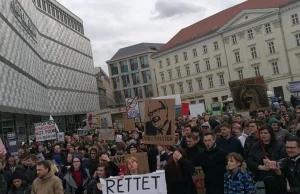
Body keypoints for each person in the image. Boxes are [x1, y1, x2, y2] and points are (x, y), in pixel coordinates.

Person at [246, 125, 287, 194]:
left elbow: (285, 161)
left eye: (266, 133)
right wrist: (260, 167)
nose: (263, 135)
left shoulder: (280, 145)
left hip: (276, 179)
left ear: (271, 134)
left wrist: (272, 164)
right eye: (261, 133)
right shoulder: (255, 145)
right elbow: (249, 160)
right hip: (259, 178)